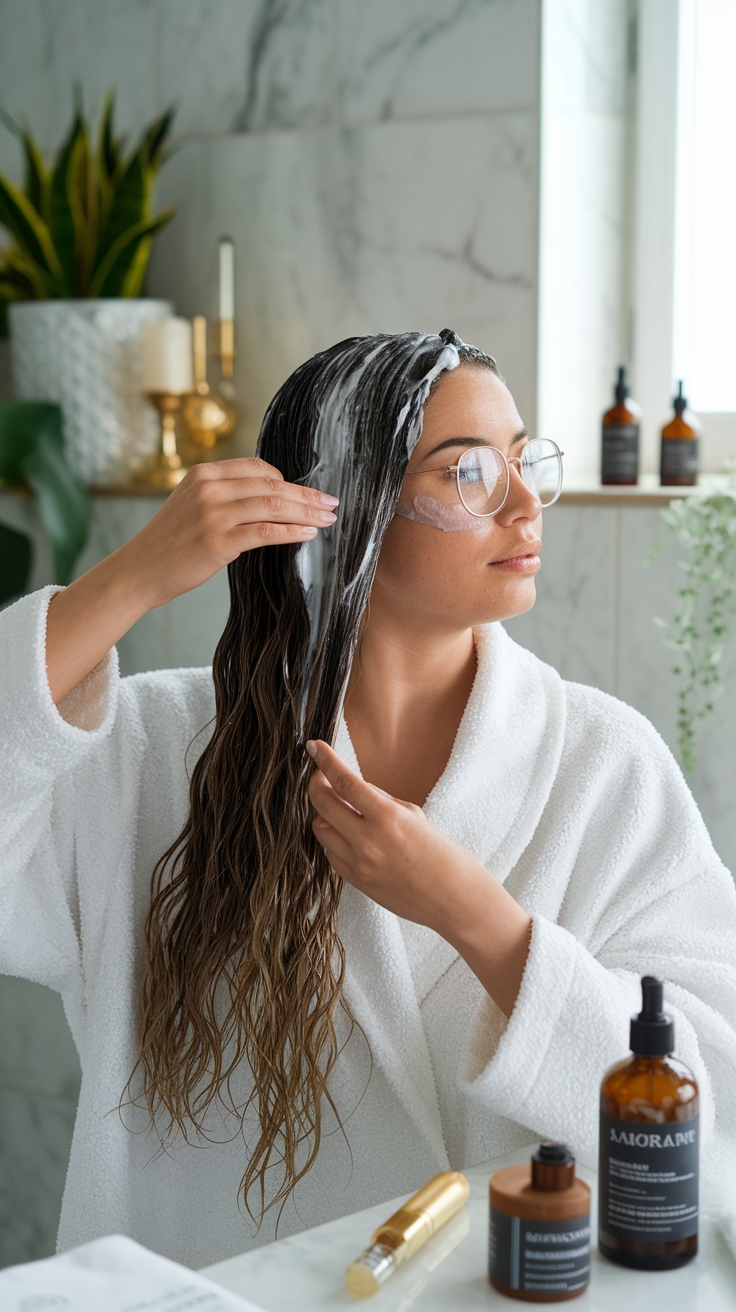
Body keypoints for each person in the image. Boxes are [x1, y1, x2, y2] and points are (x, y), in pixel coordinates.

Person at [1, 331, 734, 1270]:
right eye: (468, 470)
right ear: (342, 507)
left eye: (521, 460)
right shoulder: (154, 752)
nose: (522, 503)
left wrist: (476, 917)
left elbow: (707, 1107)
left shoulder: (603, 766)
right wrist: (129, 578)